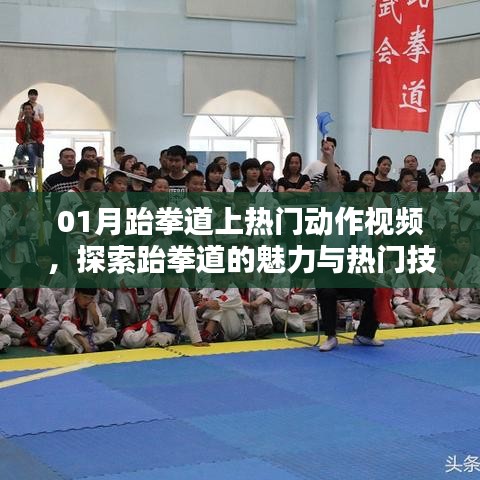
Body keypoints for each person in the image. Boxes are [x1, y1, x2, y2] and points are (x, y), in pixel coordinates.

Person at [5, 263, 60, 347]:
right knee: (5, 322)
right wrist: (10, 312)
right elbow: (4, 310)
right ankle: (28, 337)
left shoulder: (46, 291)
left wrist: (41, 322)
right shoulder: (15, 291)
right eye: (27, 284)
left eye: (32, 284)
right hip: (21, 326)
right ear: (22, 281)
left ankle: (33, 338)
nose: (29, 287)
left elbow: (54, 311)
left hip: (39, 326)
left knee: (55, 323)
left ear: (38, 281)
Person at [54, 288, 117, 354]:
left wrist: (94, 314)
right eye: (85, 297)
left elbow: (101, 328)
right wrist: (82, 340)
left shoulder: (93, 305)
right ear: (76, 294)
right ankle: (95, 346)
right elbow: (65, 323)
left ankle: (77, 348)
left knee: (112, 331)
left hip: (88, 335)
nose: (88, 301)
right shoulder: (68, 305)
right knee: (61, 335)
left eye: (91, 298)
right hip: (75, 336)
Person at [14, 102, 44, 176]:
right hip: (24, 144)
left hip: (35, 144)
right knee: (19, 147)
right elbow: (18, 137)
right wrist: (22, 142)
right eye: (25, 109)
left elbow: (41, 136)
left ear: (32, 111)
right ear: (23, 111)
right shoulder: (19, 123)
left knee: (30, 146)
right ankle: (20, 171)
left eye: (29, 109)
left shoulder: (37, 122)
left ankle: (30, 170)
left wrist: (35, 141)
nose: (27, 110)